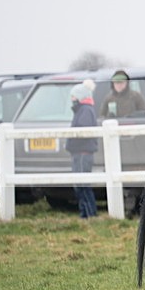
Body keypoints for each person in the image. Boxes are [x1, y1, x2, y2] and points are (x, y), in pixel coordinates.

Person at [65, 80, 98, 218]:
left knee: (82, 185)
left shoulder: (85, 110)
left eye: (73, 96)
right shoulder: (84, 109)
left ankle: (89, 214)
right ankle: (86, 213)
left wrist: (72, 141)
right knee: (80, 185)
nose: (72, 99)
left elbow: (83, 131)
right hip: (80, 153)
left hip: (82, 153)